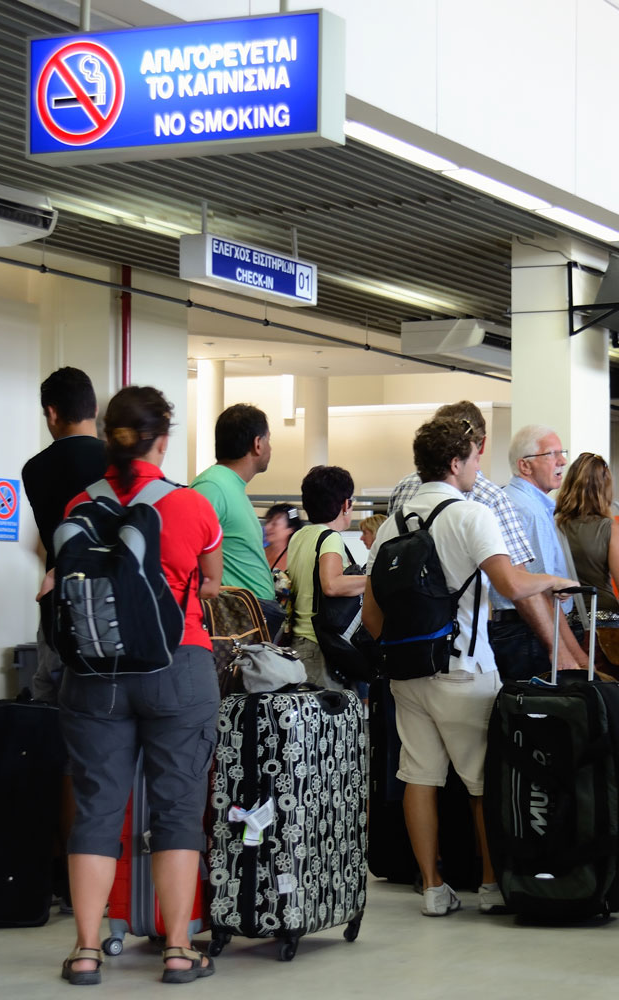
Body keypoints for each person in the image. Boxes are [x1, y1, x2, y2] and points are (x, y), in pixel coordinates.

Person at [362, 416, 577, 918]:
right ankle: (488, 886)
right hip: (466, 670)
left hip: (407, 674)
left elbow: (372, 615)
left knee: (420, 777)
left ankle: (434, 889)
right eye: (475, 458)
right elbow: (510, 585)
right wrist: (551, 581)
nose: (479, 467)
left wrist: (405, 648)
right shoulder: (471, 515)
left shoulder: (392, 523)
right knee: (483, 782)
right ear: (456, 463)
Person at [55, 386, 222, 986]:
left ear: (109, 438)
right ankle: (178, 949)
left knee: (98, 808)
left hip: (94, 677)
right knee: (178, 809)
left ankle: (84, 950)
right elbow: (209, 584)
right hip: (177, 668)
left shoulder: (79, 503)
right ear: (163, 438)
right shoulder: (191, 506)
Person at [390, 402, 583, 671]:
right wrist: (560, 651)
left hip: (406, 641)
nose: (561, 461)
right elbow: (515, 586)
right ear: (478, 447)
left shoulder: (402, 492)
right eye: (552, 455)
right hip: (467, 647)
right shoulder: (490, 498)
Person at [22, 367, 107, 704]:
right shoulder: (118, 464)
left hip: (58, 608)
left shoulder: (34, 470)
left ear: (52, 413)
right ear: (95, 410)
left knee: (49, 697)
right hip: (111, 611)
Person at [488, 424, 590, 681]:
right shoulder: (526, 510)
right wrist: (571, 654)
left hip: (526, 632)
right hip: (530, 632)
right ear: (525, 466)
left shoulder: (529, 504)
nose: (563, 461)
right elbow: (540, 594)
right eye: (551, 454)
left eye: (561, 452)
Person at [191, 404, 284, 637]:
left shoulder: (228, 484)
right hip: (235, 616)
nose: (270, 448)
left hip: (250, 613)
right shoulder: (212, 487)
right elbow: (188, 551)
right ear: (257, 444)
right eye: (268, 440)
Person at [285, 465, 366, 691]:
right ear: (345, 504)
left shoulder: (298, 536)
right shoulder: (329, 538)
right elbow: (331, 584)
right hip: (322, 648)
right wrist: (374, 580)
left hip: (299, 644)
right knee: (329, 722)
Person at [554, 452, 619, 626]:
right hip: (603, 618)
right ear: (604, 488)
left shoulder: (553, 525)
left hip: (562, 621)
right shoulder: (608, 528)